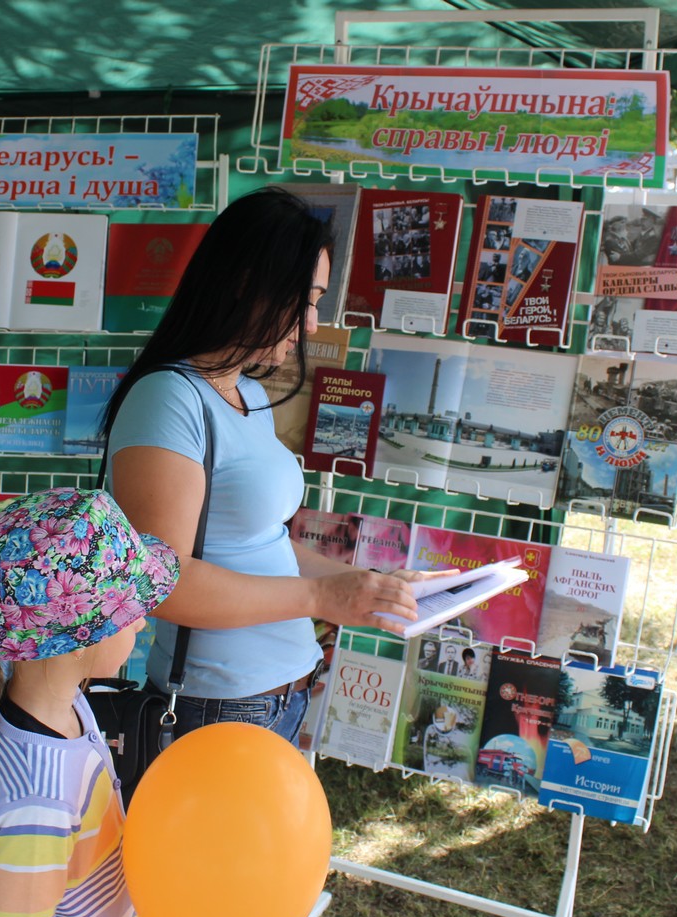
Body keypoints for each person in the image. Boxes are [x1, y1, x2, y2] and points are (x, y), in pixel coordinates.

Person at [101, 187, 439, 744]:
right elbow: (161, 582)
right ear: (245, 282)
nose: (311, 325)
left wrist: (371, 586)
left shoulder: (251, 395)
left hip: (284, 695)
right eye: (305, 300)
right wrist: (323, 599)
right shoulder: (169, 398)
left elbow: (264, 544)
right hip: (218, 706)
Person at [0, 487, 182, 917]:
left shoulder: (66, 705)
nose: (141, 622)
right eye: (128, 611)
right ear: (76, 640)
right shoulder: (38, 801)